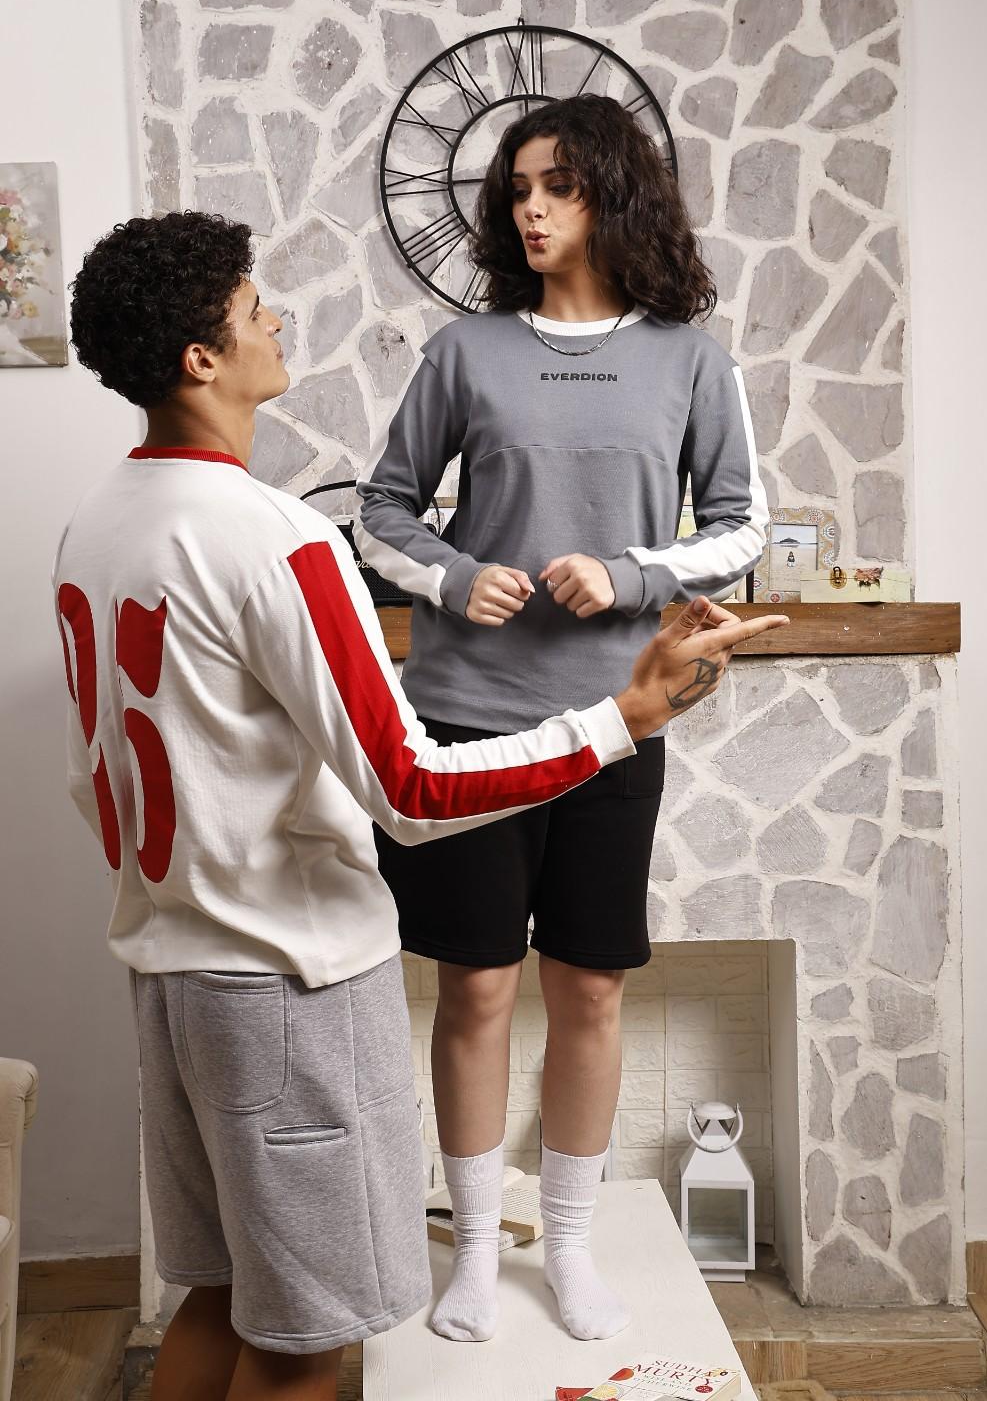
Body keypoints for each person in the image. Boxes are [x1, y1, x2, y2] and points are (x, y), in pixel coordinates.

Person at [54, 210, 785, 1401]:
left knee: (222, 1297)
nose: (276, 320)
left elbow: (91, 785)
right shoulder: (280, 540)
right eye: (252, 309)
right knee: (305, 1343)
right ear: (200, 357)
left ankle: (557, 1244)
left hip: (170, 974)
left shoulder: (95, 522)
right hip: (286, 989)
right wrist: (625, 715)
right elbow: (411, 785)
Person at [354, 95, 769, 1346]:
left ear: (612, 196)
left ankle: (570, 1249)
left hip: (612, 724)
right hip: (467, 724)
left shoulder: (689, 358)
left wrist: (633, 572)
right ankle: (479, 1252)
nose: (530, 209)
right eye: (518, 190)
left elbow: (741, 526)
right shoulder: (464, 352)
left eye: (557, 186)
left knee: (589, 992)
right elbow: (380, 510)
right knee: (476, 988)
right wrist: (448, 577)